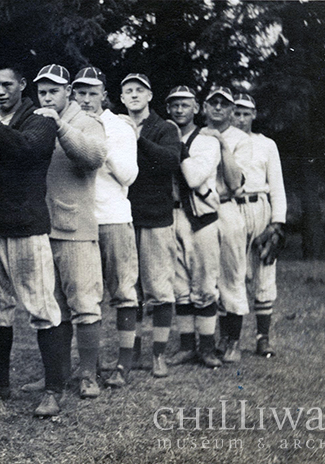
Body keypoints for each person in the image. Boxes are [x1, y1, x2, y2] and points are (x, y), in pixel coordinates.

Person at [0, 61, 65, 416]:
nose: (0, 92)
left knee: (42, 308)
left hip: (26, 227)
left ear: (22, 84)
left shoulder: (43, 117)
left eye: (7, 84)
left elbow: (24, 149)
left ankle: (53, 389)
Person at [28, 64, 107, 399]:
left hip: (75, 227)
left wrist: (59, 126)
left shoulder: (88, 121)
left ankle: (88, 375)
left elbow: (93, 157)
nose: (47, 96)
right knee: (51, 307)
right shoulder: (35, 118)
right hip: (41, 226)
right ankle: (57, 375)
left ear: (69, 92)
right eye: (42, 91)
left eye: (54, 90)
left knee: (85, 305)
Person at [72, 67, 139, 388]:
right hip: (79, 222)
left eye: (92, 92)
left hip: (112, 217)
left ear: (103, 94)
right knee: (86, 298)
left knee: (124, 292)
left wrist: (100, 144)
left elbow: (128, 175)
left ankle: (123, 364)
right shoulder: (70, 122)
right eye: (80, 92)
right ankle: (90, 366)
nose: (86, 99)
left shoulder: (118, 126)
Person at [120, 73, 181, 377]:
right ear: (121, 98)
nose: (133, 95)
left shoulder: (165, 127)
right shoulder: (118, 125)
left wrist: (138, 139)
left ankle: (158, 355)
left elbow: (171, 161)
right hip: (126, 216)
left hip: (156, 218)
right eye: (128, 91)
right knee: (130, 288)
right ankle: (131, 354)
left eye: (139, 90)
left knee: (159, 287)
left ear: (149, 96)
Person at [165, 86, 222, 369]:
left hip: (201, 218)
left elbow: (194, 177)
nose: (179, 110)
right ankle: (187, 346)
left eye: (185, 105)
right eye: (174, 105)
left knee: (204, 283)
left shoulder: (207, 140)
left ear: (196, 108)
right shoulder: (164, 135)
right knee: (179, 284)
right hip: (171, 215)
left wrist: (178, 145)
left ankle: (208, 347)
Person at [232, 93, 287, 358]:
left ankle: (262, 338)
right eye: (236, 112)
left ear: (254, 114)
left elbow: (276, 186)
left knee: (264, 271)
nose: (240, 118)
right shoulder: (222, 140)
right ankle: (230, 338)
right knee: (232, 272)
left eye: (245, 113)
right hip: (232, 207)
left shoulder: (266, 144)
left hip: (260, 207)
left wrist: (277, 223)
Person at [201, 86, 252, 365]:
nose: (218, 108)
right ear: (204, 107)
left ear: (232, 110)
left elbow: (234, 183)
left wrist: (221, 144)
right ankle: (210, 340)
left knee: (232, 274)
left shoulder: (240, 139)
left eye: (224, 104)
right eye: (213, 103)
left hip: (228, 210)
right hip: (200, 210)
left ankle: (233, 341)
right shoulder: (197, 133)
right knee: (207, 276)